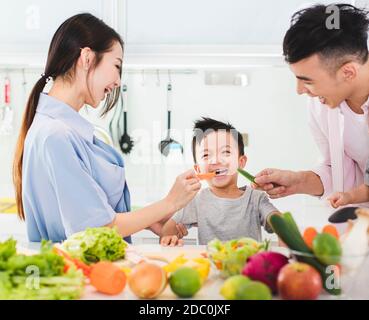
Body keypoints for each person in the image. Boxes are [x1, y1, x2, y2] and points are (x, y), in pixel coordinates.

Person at [13, 13, 200, 243]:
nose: (118, 81)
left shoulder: (60, 130)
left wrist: (149, 218)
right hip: (80, 275)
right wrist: (170, 202)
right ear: (87, 58)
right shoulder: (56, 135)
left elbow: (90, 207)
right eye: (116, 66)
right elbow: (97, 228)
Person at [253, 4, 369, 208]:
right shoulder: (320, 104)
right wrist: (298, 181)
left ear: (348, 73)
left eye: (307, 81)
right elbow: (339, 170)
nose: (300, 90)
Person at [160, 118, 279, 246]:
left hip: (249, 266)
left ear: (241, 162)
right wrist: (170, 237)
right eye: (206, 155)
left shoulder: (256, 198)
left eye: (226, 152)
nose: (216, 160)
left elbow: (278, 222)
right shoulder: (197, 201)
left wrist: (281, 226)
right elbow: (167, 230)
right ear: (198, 169)